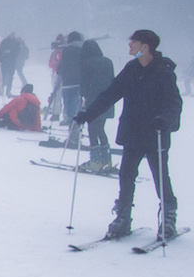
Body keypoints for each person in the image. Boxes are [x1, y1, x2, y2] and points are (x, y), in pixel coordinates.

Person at [74, 30, 183, 240]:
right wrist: (89, 114)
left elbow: (174, 103)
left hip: (155, 133)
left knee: (160, 177)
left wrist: (165, 120)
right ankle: (123, 217)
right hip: (133, 132)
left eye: (134, 41)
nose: (129, 45)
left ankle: (168, 217)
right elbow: (111, 93)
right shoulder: (131, 69)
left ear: (145, 46)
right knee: (126, 176)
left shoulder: (164, 71)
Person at [78, 39, 116, 172]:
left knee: (92, 129)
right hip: (107, 99)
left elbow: (84, 82)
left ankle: (95, 160)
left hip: (93, 100)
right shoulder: (108, 62)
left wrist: (83, 95)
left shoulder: (86, 63)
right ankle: (106, 159)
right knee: (101, 128)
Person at [57, 31, 85, 126]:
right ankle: (77, 123)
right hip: (81, 80)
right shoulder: (84, 49)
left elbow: (63, 64)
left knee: (69, 103)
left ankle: (70, 121)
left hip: (68, 81)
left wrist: (59, 72)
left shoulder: (68, 50)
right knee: (78, 103)